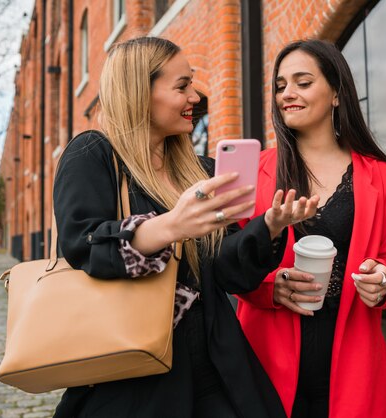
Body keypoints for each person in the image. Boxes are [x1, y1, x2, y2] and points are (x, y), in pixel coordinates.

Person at [51, 36, 318, 418]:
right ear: (140, 91)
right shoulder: (93, 154)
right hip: (134, 376)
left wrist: (268, 227)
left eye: (192, 83)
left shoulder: (201, 170)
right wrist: (171, 226)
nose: (195, 96)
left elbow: (229, 274)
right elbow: (84, 245)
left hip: (217, 365)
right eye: (182, 86)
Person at [236, 39, 386, 418]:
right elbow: (230, 263)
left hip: (352, 360)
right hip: (265, 359)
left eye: (302, 82)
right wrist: (270, 289)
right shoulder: (255, 170)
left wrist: (381, 281)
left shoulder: (382, 176)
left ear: (335, 93)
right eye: (280, 86)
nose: (287, 94)